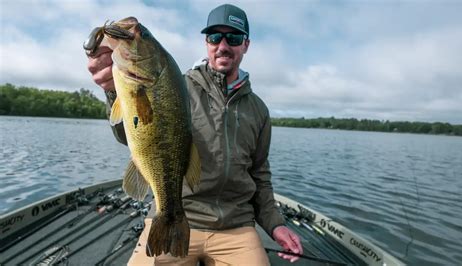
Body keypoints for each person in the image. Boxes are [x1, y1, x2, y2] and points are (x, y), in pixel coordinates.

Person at [87, 4, 303, 265]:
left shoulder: (258, 111)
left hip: (236, 225)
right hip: (176, 213)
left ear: (245, 44)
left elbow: (260, 174)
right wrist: (112, 91)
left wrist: (274, 224)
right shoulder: (177, 85)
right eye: (215, 37)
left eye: (233, 38)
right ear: (206, 42)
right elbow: (127, 134)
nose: (223, 45)